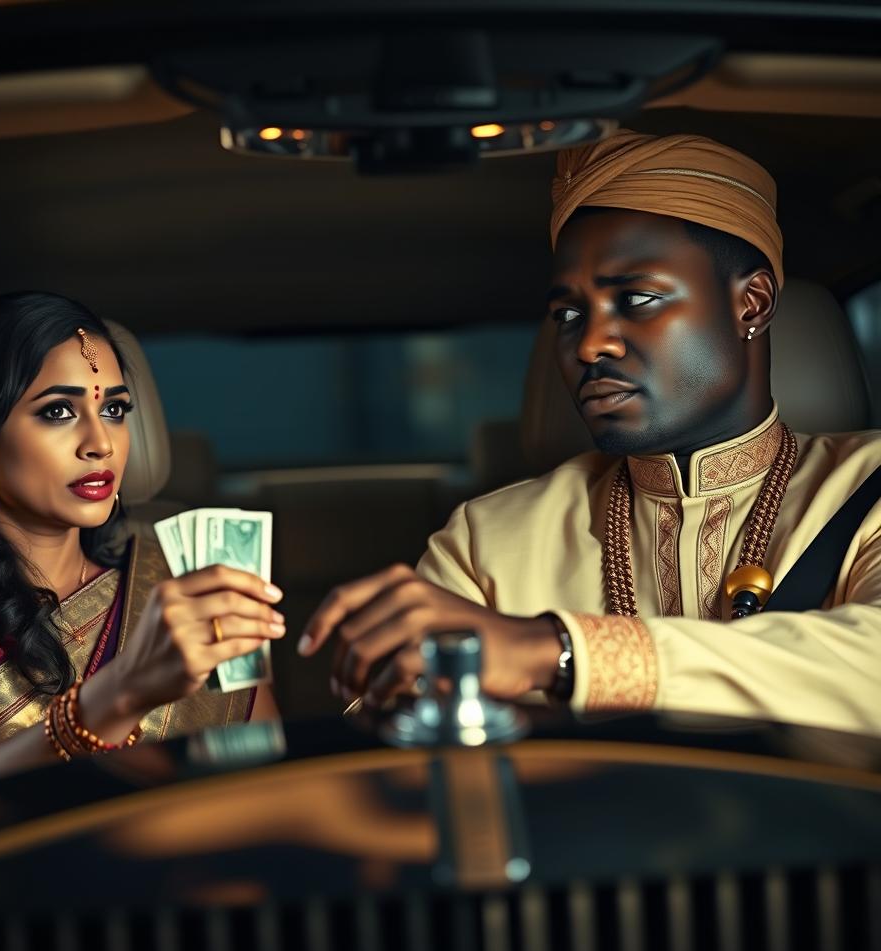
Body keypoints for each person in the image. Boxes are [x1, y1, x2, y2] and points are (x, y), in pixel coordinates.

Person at [298, 130, 881, 735]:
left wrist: (555, 652)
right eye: (568, 315)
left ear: (752, 304)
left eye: (637, 298)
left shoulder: (867, 491)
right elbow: (397, 742)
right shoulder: (488, 541)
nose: (590, 343)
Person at [0, 292, 282, 815]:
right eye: (58, 411)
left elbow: (267, 783)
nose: (100, 442)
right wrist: (123, 692)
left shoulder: (182, 582)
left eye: (114, 409)